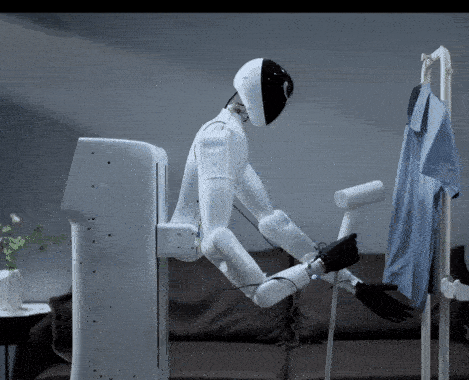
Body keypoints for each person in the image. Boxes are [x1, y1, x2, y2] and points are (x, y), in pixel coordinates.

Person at [168, 58, 413, 321]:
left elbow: (273, 223)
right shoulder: (218, 138)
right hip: (182, 245)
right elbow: (220, 243)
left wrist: (356, 286)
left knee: (272, 222)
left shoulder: (231, 136)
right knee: (258, 286)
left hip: (191, 242)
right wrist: (320, 265)